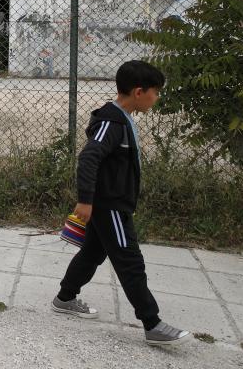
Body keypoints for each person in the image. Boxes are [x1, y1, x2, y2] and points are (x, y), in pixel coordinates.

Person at [52, 60, 191, 346]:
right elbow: (89, 157)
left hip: (113, 204)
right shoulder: (111, 122)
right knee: (130, 262)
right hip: (110, 206)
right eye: (156, 91)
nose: (157, 97)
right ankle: (152, 324)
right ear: (139, 92)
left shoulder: (122, 118)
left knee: (92, 254)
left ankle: (65, 298)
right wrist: (86, 201)